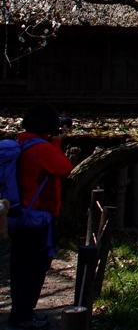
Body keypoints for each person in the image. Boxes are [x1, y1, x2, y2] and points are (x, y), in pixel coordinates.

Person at [8, 105, 73, 329]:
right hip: (37, 218)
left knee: (19, 267)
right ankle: (24, 316)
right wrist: (55, 144)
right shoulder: (42, 149)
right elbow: (64, 167)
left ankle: (19, 312)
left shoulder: (21, 142)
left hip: (18, 215)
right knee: (34, 269)